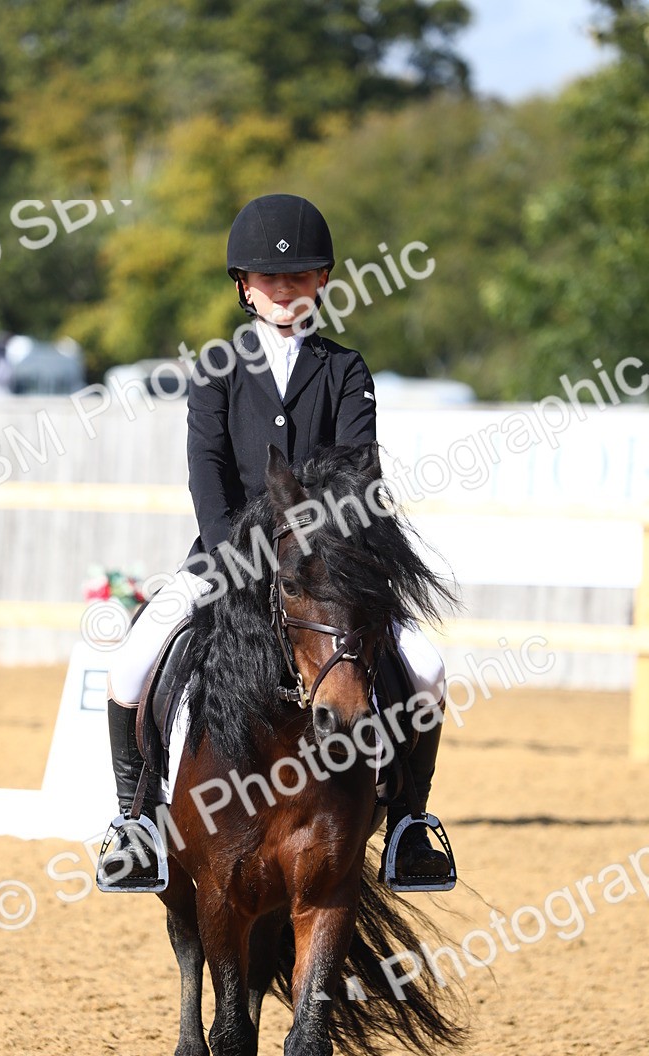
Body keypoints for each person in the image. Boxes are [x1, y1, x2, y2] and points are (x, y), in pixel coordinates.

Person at [104, 193, 451, 889]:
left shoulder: (345, 370)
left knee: (429, 667)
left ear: (322, 281)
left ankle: (411, 824)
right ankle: (135, 822)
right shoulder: (216, 370)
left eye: (299, 278)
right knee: (132, 664)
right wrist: (240, 554)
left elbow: (358, 473)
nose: (284, 290)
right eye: (270, 280)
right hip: (225, 557)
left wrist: (315, 552)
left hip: (327, 570)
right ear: (244, 287)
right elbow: (206, 473)